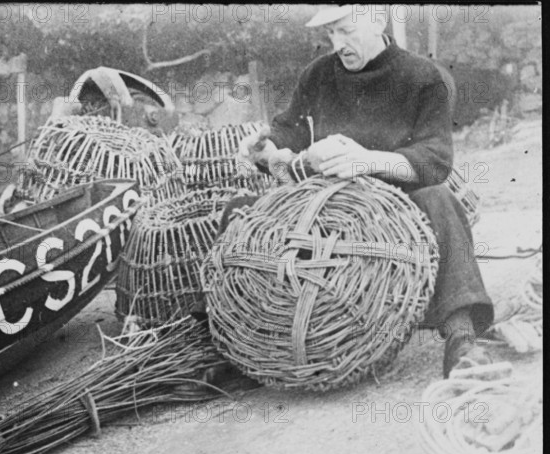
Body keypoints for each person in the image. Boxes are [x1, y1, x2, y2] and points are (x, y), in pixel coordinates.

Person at [208, 5, 494, 378]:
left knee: (440, 199)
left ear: (377, 19)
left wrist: (367, 160)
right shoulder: (318, 75)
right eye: (330, 35)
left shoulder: (424, 77)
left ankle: (461, 337)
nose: (338, 44)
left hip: (399, 208)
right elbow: (286, 131)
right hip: (330, 207)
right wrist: (265, 149)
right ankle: (231, 346)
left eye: (345, 30)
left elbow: (434, 162)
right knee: (241, 212)